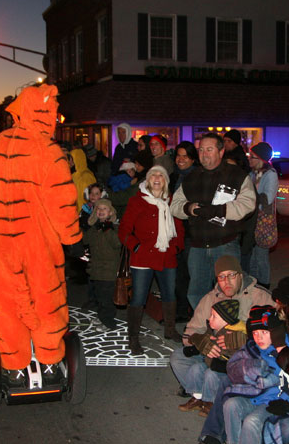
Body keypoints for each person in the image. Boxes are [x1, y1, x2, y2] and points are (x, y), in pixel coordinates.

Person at [0, 84, 83, 386]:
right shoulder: (49, 151)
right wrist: (73, 240)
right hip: (37, 243)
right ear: (45, 113)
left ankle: (14, 366)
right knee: (47, 301)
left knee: (5, 304)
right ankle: (48, 361)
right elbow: (62, 204)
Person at [177, 276, 289, 444]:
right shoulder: (283, 323)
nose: (276, 306)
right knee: (228, 382)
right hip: (272, 387)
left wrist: (280, 346)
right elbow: (256, 347)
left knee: (285, 429)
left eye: (280, 303)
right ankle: (212, 442)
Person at [220, 305, 289, 444]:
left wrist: (287, 402)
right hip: (254, 394)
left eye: (264, 332)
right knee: (231, 405)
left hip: (274, 400)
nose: (259, 338)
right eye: (255, 333)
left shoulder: (286, 351)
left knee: (252, 421)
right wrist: (251, 369)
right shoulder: (252, 348)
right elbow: (232, 366)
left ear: (275, 332)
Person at [170, 255, 275, 407]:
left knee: (215, 372)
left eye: (231, 275)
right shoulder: (211, 298)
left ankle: (218, 396)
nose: (226, 281)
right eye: (221, 277)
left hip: (244, 357)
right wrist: (199, 341)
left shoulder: (260, 297)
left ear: (240, 275)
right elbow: (189, 333)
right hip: (213, 353)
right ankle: (199, 394)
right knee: (178, 357)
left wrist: (244, 340)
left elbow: (276, 336)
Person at [170, 133, 257, 310]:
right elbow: (174, 205)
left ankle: (228, 330)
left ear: (221, 151)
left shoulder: (237, 175)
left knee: (230, 291)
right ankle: (206, 327)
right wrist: (190, 208)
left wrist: (219, 211)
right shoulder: (191, 177)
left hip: (225, 243)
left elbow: (248, 203)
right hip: (198, 246)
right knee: (196, 292)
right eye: (201, 150)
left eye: (209, 149)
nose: (204, 154)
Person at [118, 165, 185, 354]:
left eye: (161, 175)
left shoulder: (172, 201)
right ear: (147, 180)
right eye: (153, 175)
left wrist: (177, 246)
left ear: (165, 181)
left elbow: (179, 228)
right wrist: (136, 246)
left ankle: (170, 330)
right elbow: (123, 230)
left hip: (167, 256)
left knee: (169, 295)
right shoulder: (136, 201)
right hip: (143, 257)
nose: (157, 178)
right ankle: (133, 337)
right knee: (138, 298)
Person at [177, 299, 246, 416]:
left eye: (214, 316)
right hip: (211, 363)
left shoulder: (232, 336)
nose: (210, 318)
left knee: (211, 374)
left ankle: (211, 402)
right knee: (196, 368)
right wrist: (195, 346)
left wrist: (221, 363)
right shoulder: (213, 329)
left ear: (225, 321)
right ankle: (198, 397)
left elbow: (237, 354)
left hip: (225, 369)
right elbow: (199, 339)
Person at [171, 140, 200, 318]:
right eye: (178, 156)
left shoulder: (197, 177)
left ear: (192, 159)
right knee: (178, 272)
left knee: (192, 273)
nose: (181, 160)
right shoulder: (173, 176)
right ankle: (181, 310)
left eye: (185, 156)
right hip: (174, 230)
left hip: (191, 232)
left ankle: (194, 311)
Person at [82, 198, 120, 332]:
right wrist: (89, 227)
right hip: (96, 269)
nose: (101, 211)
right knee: (99, 296)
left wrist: (108, 230)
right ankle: (102, 316)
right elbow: (85, 240)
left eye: (104, 208)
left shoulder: (113, 228)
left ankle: (108, 322)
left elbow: (117, 244)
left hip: (109, 270)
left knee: (106, 298)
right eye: (98, 208)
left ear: (110, 212)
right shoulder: (95, 228)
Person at [247, 142, 279, 288]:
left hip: (261, 222)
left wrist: (249, 196)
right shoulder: (252, 174)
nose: (249, 159)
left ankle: (265, 287)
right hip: (251, 220)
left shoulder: (270, 174)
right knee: (252, 259)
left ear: (261, 159)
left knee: (261, 258)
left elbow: (267, 199)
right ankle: (254, 287)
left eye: (252, 157)